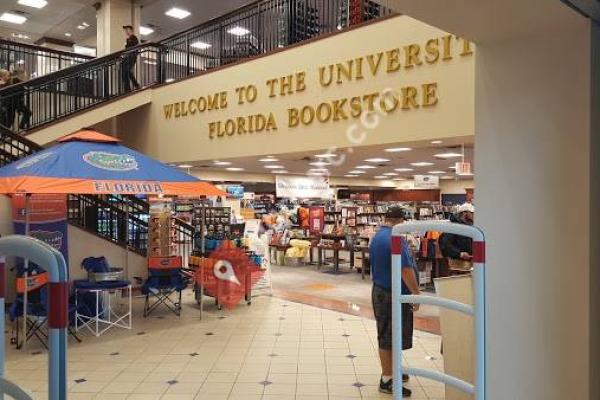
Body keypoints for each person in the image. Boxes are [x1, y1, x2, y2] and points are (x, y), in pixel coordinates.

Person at [370, 206, 420, 397]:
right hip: (391, 294)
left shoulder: (378, 236)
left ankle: (393, 370)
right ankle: (387, 379)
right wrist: (415, 293)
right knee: (388, 336)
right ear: (400, 220)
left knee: (392, 335)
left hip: (382, 291)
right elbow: (405, 269)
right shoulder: (394, 238)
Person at [121, 25, 140, 93]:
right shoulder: (127, 39)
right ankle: (128, 88)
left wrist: (131, 55)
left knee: (126, 71)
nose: (126, 31)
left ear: (131, 30)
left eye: (127, 29)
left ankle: (134, 85)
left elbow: (136, 48)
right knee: (124, 72)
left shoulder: (134, 38)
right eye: (125, 30)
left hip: (131, 57)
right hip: (127, 57)